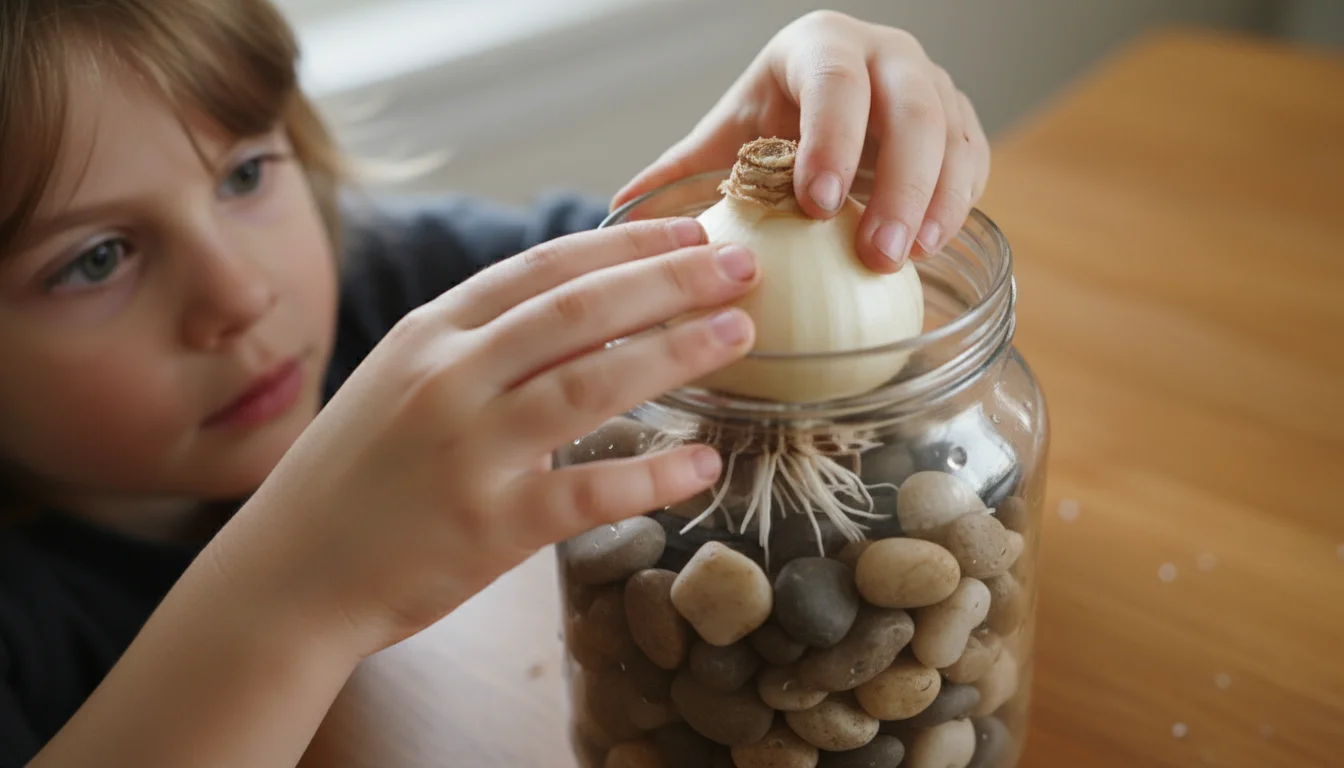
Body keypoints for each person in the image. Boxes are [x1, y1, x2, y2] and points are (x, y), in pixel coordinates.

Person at [0, 0, 991, 764]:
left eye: (245, 175)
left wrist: (773, 188)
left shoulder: (385, 280)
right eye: (95, 259)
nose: (240, 295)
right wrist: (295, 596)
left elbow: (626, 289)